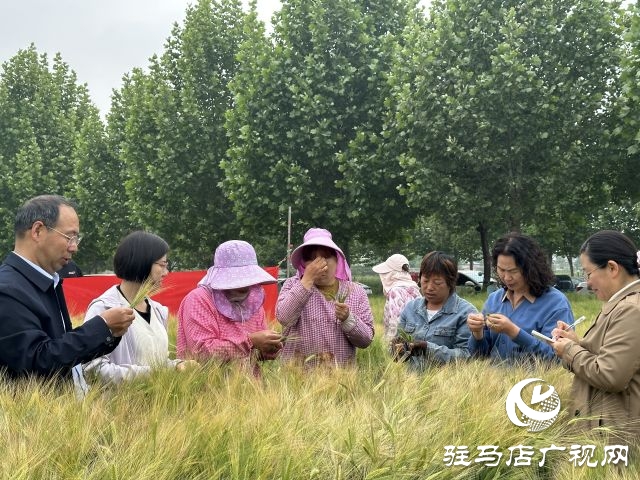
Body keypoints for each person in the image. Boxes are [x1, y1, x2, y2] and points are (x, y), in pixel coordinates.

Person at [0, 195, 134, 395]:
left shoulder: (46, 281)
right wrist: (101, 327)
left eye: (76, 238)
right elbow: (37, 361)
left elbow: (62, 350)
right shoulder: (7, 290)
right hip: (39, 422)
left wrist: (109, 334)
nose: (74, 246)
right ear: (37, 231)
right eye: (69, 236)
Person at [551, 230, 640, 439]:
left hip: (616, 439)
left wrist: (570, 350)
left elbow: (611, 375)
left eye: (588, 273)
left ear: (612, 268)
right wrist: (576, 343)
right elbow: (611, 357)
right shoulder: (620, 304)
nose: (587, 283)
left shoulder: (630, 310)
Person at [83, 231, 194, 383]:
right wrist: (156, 373)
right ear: (142, 262)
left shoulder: (158, 311)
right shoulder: (103, 308)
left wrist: (177, 365)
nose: (166, 273)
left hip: (157, 404)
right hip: (119, 405)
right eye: (162, 265)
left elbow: (157, 362)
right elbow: (93, 370)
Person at [177, 240, 282, 375]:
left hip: (251, 390)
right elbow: (200, 352)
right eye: (237, 279)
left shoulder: (254, 301)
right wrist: (251, 341)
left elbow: (253, 353)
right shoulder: (200, 299)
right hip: (208, 390)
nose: (243, 285)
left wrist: (267, 349)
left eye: (247, 278)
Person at [467, 232, 574, 362]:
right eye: (501, 270)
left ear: (531, 268)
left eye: (513, 271)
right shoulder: (494, 299)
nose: (507, 277)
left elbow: (557, 358)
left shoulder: (556, 303)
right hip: (492, 380)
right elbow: (478, 357)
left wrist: (513, 332)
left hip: (534, 382)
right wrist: (477, 333)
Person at [277, 228, 374, 366]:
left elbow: (366, 340)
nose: (320, 263)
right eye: (311, 258)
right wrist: (307, 280)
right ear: (303, 263)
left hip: (341, 379)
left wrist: (348, 319)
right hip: (297, 378)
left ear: (337, 260)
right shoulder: (292, 285)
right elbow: (284, 318)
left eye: (326, 256)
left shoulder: (355, 292)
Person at [391, 251, 477, 369]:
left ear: (451, 283)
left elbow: (467, 356)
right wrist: (396, 349)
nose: (429, 287)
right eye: (425, 281)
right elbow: (396, 348)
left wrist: (427, 349)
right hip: (410, 384)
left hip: (448, 384)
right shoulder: (410, 308)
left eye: (437, 282)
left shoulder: (466, 313)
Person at [372, 253, 421, 343]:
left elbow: (396, 324)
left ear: (391, 274)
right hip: (416, 341)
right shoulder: (414, 289)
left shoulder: (395, 291)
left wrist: (388, 345)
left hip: (400, 345)